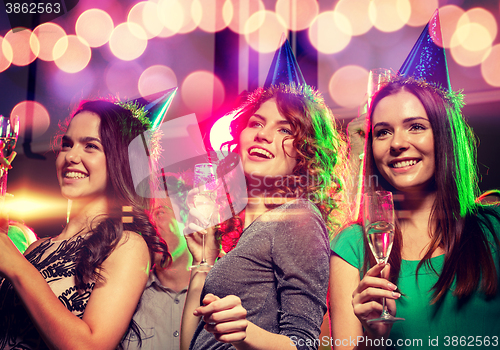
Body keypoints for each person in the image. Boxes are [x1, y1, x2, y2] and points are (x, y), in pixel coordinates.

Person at [329, 76, 500, 349]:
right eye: (383, 132)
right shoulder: (351, 245)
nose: (397, 143)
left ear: (446, 136)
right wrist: (372, 340)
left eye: (416, 126)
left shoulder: (494, 227)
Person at [180, 82, 346, 350]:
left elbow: (303, 344)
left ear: (306, 152)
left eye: (284, 129)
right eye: (256, 123)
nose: (263, 135)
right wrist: (202, 263)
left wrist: (244, 332)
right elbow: (193, 345)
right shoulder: (240, 229)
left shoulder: (297, 217)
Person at [0, 100, 169, 349]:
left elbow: (91, 346)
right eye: (67, 144)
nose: (71, 156)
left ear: (120, 160)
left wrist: (17, 268)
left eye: (90, 146)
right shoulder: (35, 248)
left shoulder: (126, 245)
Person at [124, 174, 191, 350]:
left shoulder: (218, 289)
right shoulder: (127, 296)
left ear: (185, 215)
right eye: (144, 219)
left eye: (159, 213)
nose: (149, 226)